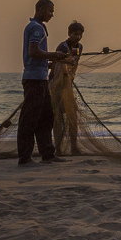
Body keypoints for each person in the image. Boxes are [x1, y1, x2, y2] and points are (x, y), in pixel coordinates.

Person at [18, 0, 71, 166]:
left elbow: (35, 57)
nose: (52, 14)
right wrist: (54, 55)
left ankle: (47, 154)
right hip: (34, 80)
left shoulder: (36, 27)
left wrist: (53, 62)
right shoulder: (36, 28)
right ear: (40, 9)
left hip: (39, 78)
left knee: (46, 117)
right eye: (50, 11)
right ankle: (25, 158)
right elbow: (33, 52)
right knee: (30, 119)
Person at [49, 21, 84, 156]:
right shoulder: (62, 46)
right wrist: (66, 75)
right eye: (75, 34)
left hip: (67, 84)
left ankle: (73, 147)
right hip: (56, 85)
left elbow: (75, 64)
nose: (78, 37)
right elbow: (59, 66)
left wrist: (70, 78)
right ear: (69, 34)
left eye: (80, 34)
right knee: (58, 119)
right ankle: (58, 149)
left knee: (72, 117)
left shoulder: (79, 47)